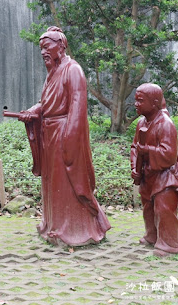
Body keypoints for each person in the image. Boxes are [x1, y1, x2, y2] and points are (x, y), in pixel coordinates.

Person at [17, 26, 111, 247]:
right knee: (51, 182)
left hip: (65, 134)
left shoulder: (73, 70)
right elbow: (45, 103)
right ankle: (52, 224)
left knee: (67, 182)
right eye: (41, 48)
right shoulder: (52, 74)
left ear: (60, 46)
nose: (43, 52)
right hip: (49, 135)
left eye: (47, 46)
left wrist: (69, 141)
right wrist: (34, 111)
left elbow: (77, 109)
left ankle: (73, 229)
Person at [130, 83, 178, 257]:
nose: (136, 104)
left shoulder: (166, 124)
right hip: (148, 175)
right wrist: (134, 166)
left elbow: (168, 155)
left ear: (154, 103)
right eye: (135, 101)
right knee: (148, 208)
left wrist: (147, 151)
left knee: (164, 209)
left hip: (166, 176)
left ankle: (169, 243)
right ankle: (152, 236)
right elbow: (134, 147)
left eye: (140, 101)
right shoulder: (141, 123)